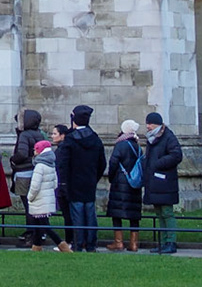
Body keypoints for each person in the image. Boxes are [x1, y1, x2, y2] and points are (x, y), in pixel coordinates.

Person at [60, 104, 105, 251]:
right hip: (89, 181)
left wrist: (64, 182)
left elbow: (64, 164)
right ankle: (91, 244)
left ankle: (79, 244)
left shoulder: (70, 140)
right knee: (90, 214)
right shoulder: (95, 139)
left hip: (74, 182)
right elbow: (102, 164)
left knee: (78, 214)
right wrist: (93, 177)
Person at [140, 110, 183, 254]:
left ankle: (171, 242)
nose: (147, 126)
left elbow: (176, 155)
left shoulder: (168, 137)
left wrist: (157, 164)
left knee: (167, 212)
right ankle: (163, 242)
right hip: (155, 182)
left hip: (165, 182)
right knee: (159, 213)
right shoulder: (153, 138)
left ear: (157, 124)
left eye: (150, 123)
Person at [104, 118, 143, 252]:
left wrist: (111, 177)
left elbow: (113, 163)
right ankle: (134, 243)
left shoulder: (120, 145)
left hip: (120, 183)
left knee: (117, 213)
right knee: (133, 215)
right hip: (134, 183)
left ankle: (118, 242)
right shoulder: (138, 146)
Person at [26, 138, 69, 251]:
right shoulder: (51, 165)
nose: (34, 152)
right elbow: (55, 183)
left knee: (45, 226)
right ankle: (36, 247)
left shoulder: (39, 166)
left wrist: (29, 197)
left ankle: (62, 245)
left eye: (36, 150)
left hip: (39, 199)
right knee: (38, 226)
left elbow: (35, 186)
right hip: (47, 199)